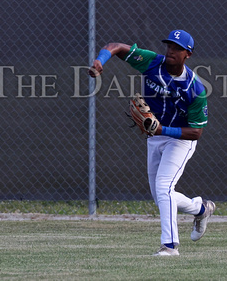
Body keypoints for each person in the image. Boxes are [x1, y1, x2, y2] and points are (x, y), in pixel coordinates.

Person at [89, 29, 214, 256]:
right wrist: (100, 60)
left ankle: (170, 246)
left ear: (188, 54)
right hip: (154, 137)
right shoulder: (152, 63)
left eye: (177, 48)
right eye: (169, 46)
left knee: (164, 186)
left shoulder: (195, 89)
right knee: (161, 196)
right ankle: (201, 209)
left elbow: (196, 132)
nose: (171, 51)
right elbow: (116, 45)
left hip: (180, 139)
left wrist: (162, 129)